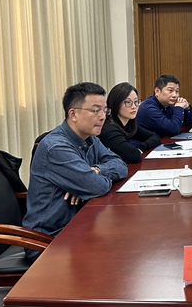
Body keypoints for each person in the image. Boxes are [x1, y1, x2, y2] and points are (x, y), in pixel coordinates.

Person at [23, 82, 128, 258]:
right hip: (50, 239)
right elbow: (97, 186)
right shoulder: (56, 147)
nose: (103, 117)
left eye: (105, 111)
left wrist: (96, 170)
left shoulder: (90, 138)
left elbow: (120, 165)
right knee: (119, 252)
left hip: (79, 224)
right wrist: (88, 182)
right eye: (96, 110)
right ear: (73, 114)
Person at [99, 82, 161, 163]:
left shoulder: (128, 123)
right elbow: (133, 156)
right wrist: (138, 150)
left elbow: (155, 137)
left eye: (136, 102)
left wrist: (141, 147)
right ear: (116, 103)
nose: (134, 106)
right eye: (128, 102)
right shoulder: (109, 129)